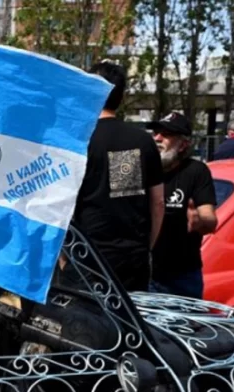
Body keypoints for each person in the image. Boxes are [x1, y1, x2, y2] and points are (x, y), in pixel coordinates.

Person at [70, 61, 165, 292]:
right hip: (132, 257)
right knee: (130, 314)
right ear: (121, 97)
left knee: (84, 315)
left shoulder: (77, 141)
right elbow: (158, 203)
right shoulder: (141, 140)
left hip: (85, 255)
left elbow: (62, 204)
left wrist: (64, 258)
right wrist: (147, 247)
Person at [147, 112, 219, 299]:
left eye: (166, 134)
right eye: (156, 133)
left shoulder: (196, 170)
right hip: (144, 271)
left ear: (183, 145)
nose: (157, 138)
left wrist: (200, 220)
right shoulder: (139, 167)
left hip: (182, 276)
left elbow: (210, 219)